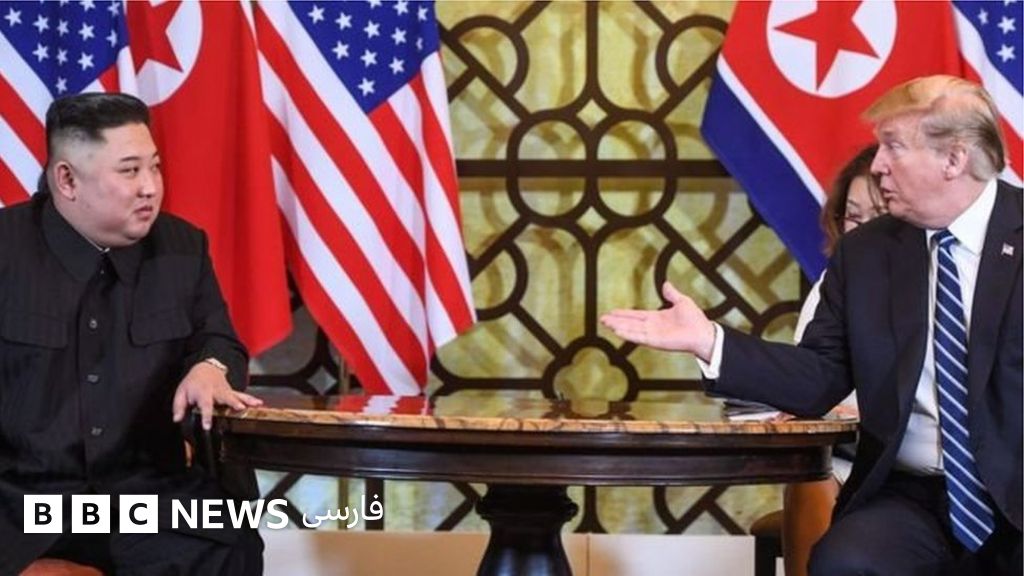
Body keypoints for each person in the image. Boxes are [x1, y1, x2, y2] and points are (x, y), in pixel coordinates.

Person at [601, 75, 1022, 575]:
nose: (878, 165)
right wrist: (709, 341)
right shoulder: (868, 253)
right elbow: (820, 375)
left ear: (953, 159)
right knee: (843, 562)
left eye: (893, 146)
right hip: (915, 495)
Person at [0, 93, 265, 574]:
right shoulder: (7, 249)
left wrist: (210, 367)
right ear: (67, 180)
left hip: (140, 497)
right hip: (24, 500)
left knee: (232, 542)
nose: (150, 187)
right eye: (130, 171)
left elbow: (220, 341)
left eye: (155, 167)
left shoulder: (183, 248)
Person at [783, 144, 886, 576]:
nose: (862, 230)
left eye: (878, 215)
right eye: (853, 216)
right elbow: (811, 380)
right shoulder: (833, 286)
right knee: (811, 476)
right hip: (847, 457)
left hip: (917, 459)